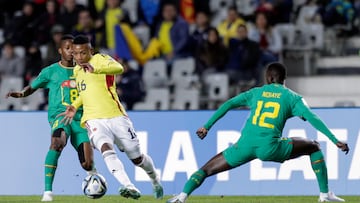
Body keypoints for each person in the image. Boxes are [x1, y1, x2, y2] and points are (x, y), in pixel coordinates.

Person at [167, 62, 350, 203]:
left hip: (244, 146)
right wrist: (334, 140)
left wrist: (206, 126)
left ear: (268, 78)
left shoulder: (256, 92)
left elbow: (229, 104)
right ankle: (325, 195)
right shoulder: (293, 97)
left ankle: (182, 196)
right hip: (270, 148)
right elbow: (313, 118)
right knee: (313, 146)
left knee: (206, 170)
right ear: (283, 79)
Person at [58, 35, 163, 200]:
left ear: (90, 51)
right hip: (93, 119)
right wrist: (75, 106)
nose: (79, 57)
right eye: (76, 54)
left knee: (137, 158)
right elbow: (85, 92)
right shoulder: (77, 71)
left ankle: (155, 179)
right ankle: (128, 186)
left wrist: (96, 69)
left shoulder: (101, 59)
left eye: (83, 53)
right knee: (106, 148)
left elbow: (119, 68)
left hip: (116, 116)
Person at [6, 35, 95, 202]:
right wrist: (21, 94)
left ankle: (93, 176)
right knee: (56, 143)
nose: (71, 52)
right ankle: (48, 192)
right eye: (67, 48)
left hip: (81, 119)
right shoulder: (50, 71)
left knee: (87, 164)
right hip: (60, 117)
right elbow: (33, 87)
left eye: (73, 49)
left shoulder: (84, 70)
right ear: (60, 50)